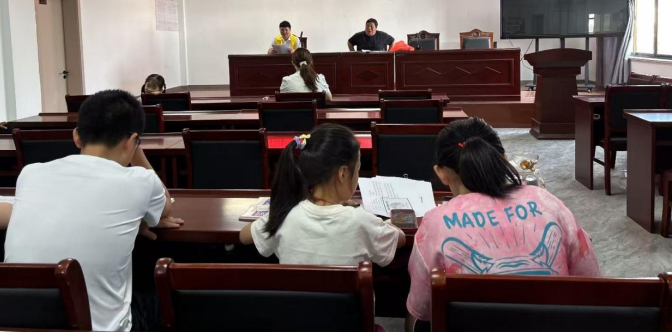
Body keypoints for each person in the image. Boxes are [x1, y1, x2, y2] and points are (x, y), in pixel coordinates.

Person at [4, 89, 183, 332]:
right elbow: (165, 208)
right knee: (163, 301)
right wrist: (137, 155)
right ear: (132, 141)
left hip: (17, 325)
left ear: (77, 137)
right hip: (97, 328)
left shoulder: (30, 173)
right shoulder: (140, 180)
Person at [405, 118, 600, 331]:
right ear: (504, 160)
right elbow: (590, 281)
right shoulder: (547, 201)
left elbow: (423, 307)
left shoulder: (435, 223)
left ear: (441, 173)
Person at [240, 124, 405, 266]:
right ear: (343, 174)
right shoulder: (362, 221)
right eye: (357, 170)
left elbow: (243, 236)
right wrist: (385, 222)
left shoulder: (285, 214)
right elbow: (400, 238)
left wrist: (276, 213)